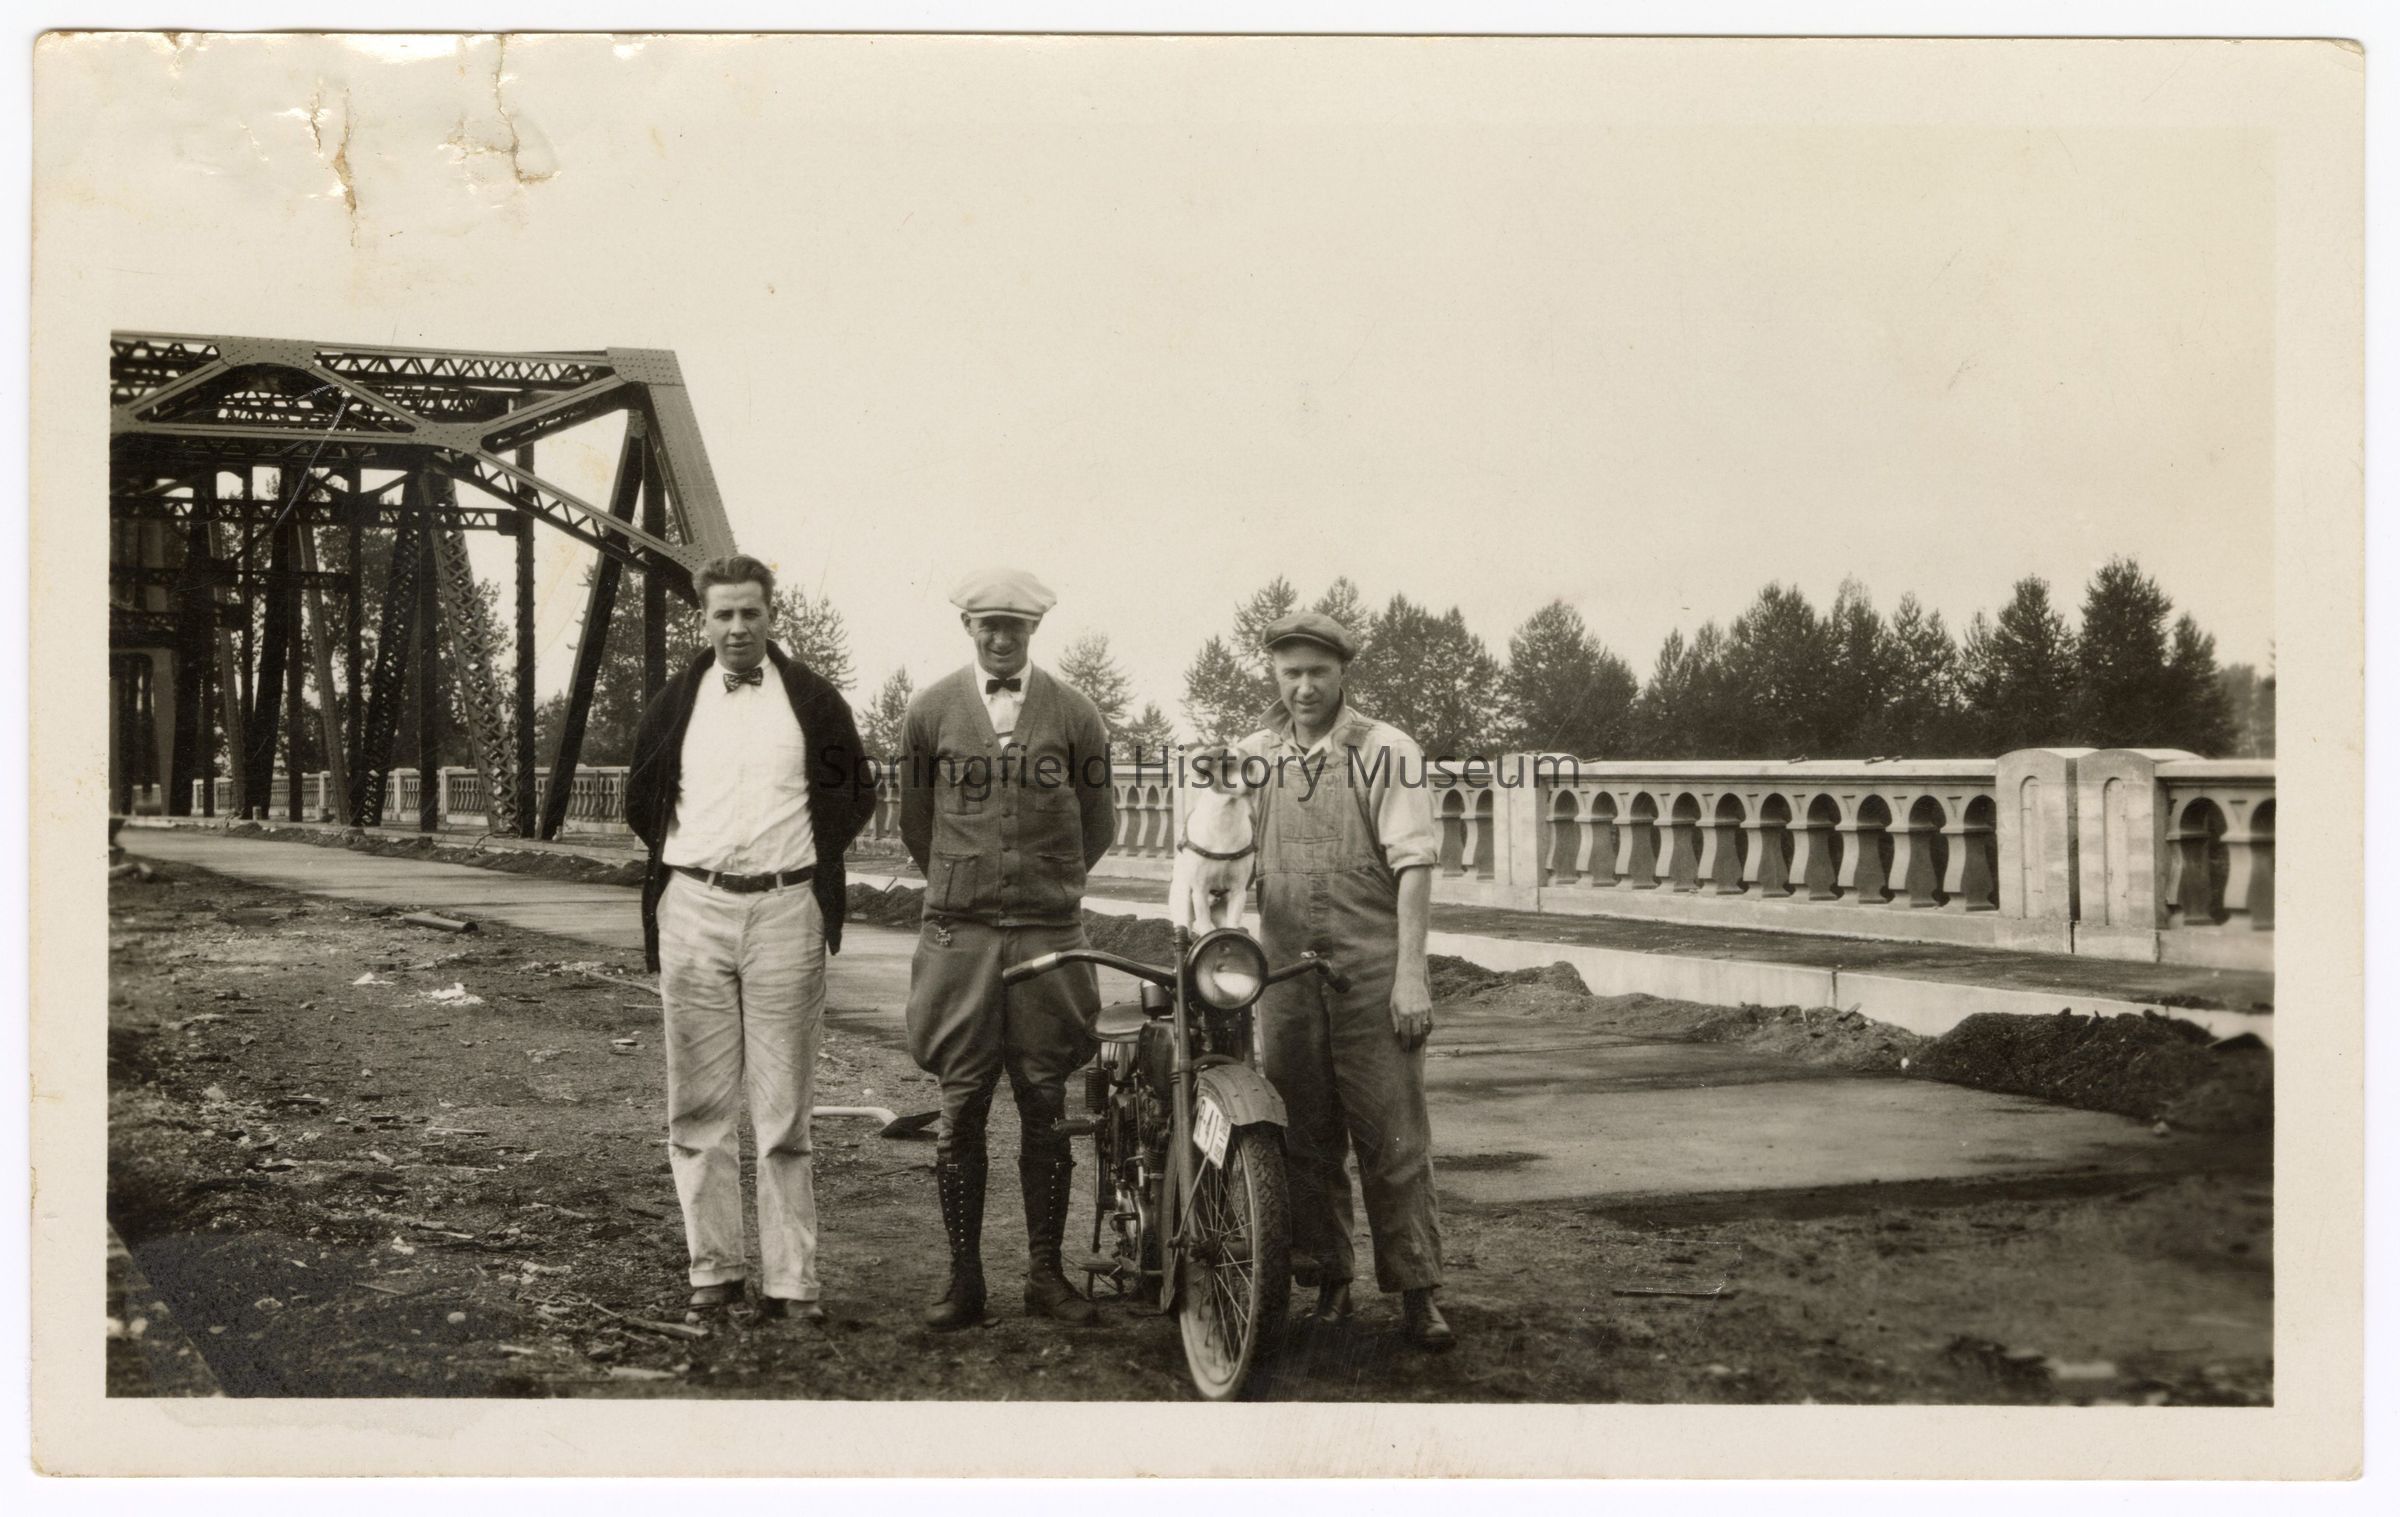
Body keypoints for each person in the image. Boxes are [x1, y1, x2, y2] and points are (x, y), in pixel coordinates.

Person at [625, 554, 877, 1322]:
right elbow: (641, 796)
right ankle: (714, 1269)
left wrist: (801, 863)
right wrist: (689, 871)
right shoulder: (676, 702)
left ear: (772, 615)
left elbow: (855, 792)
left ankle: (792, 1280)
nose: (737, 627)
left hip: (785, 911)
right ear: (703, 619)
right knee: (697, 1104)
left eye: (750, 613)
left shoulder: (813, 701)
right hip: (694, 908)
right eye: (723, 614)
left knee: (783, 1109)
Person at [899, 568, 1117, 1330]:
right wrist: (966, 882)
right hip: (959, 935)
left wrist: (1044, 884)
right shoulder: (929, 711)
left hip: (1048, 933)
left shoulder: (1077, 714)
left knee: (1045, 1101)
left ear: (1034, 630)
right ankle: (964, 1279)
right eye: (987, 624)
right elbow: (916, 822)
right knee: (961, 1104)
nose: (1000, 638)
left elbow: (1099, 824)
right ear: (968, 627)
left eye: (1014, 626)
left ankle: (1045, 1274)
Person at [1234, 610, 1455, 1351]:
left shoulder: (1387, 750)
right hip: (1284, 973)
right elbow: (1222, 853)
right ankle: (1331, 1281)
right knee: (1302, 1136)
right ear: (1274, 673)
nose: (1303, 687)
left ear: (1342, 674)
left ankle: (1418, 1291)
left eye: (1317, 673)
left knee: (1393, 1136)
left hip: (1371, 972)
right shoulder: (1253, 756)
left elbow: (1414, 867)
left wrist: (1411, 975)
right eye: (1290, 672)